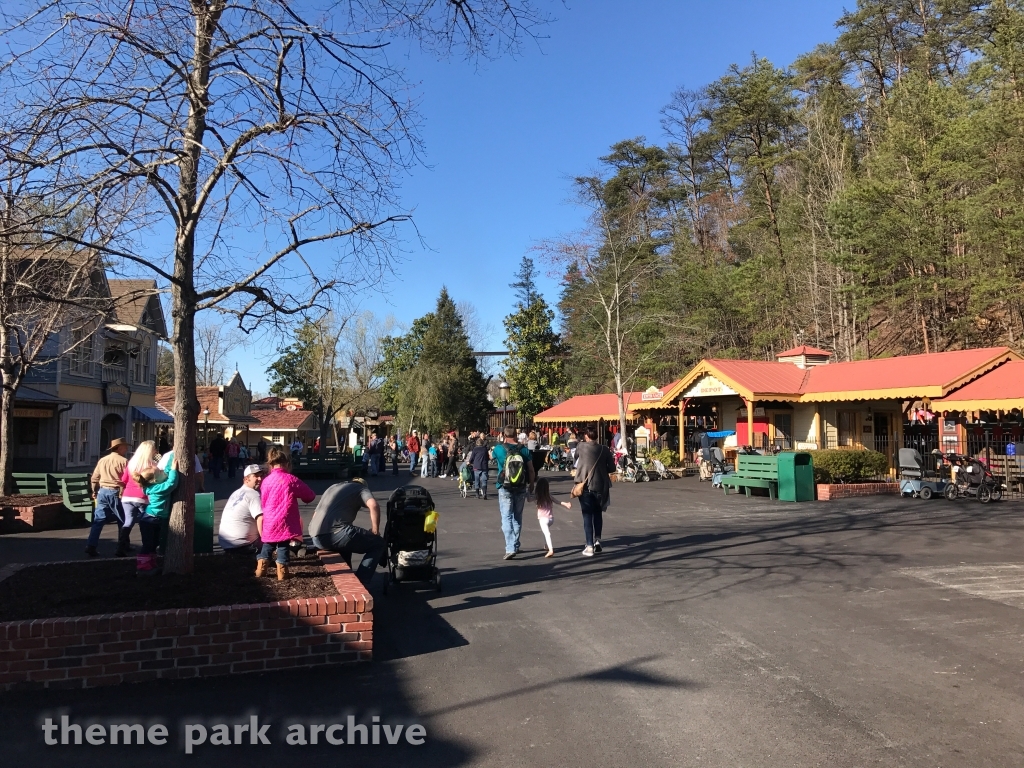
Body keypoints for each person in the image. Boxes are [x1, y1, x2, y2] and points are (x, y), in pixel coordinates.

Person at [308, 478, 385, 587]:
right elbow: (374, 505)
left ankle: (347, 581)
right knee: (378, 544)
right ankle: (361, 582)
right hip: (335, 533)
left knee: (348, 542)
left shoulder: (333, 487)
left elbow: (314, 515)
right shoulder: (361, 488)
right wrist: (375, 530)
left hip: (316, 537)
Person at [257, 446, 316, 580]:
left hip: (270, 518)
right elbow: (310, 495)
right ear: (287, 464)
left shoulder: (265, 481)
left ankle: (261, 569)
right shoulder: (290, 479)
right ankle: (282, 572)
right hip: (285, 518)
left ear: (270, 465)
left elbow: (264, 501)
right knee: (283, 544)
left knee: (268, 543)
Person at [492, 425, 536, 560]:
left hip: (504, 486)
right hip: (521, 486)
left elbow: (492, 457)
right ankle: (515, 544)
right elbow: (531, 470)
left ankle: (510, 547)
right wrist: (532, 485)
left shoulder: (499, 449)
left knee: (506, 517)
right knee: (517, 516)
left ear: (504, 435)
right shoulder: (524, 450)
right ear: (516, 435)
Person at [133, 456, 180, 574]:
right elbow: (171, 484)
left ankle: (151, 564)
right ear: (155, 480)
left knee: (154, 543)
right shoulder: (157, 489)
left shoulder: (157, 483)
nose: (162, 471)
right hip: (150, 520)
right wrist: (174, 470)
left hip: (154, 519)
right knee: (148, 544)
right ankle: (142, 568)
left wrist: (171, 459)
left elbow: (166, 474)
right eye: (159, 472)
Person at [574, 426, 616, 557]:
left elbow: (575, 460)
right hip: (600, 486)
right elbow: (612, 467)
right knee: (598, 514)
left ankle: (589, 545)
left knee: (587, 515)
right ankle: (597, 540)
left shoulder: (581, 446)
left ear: (586, 436)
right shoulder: (604, 449)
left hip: (585, 485)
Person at [86, 438, 130, 557]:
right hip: (116, 492)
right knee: (122, 520)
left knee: (98, 520)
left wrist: (94, 490)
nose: (126, 449)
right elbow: (128, 478)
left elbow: (95, 477)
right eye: (125, 447)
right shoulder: (124, 461)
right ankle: (122, 547)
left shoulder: (103, 460)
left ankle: (91, 545)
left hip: (103, 491)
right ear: (119, 447)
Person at [119, 440, 158, 557]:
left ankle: (121, 546)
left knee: (128, 522)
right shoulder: (151, 465)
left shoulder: (131, 463)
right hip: (142, 497)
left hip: (127, 496)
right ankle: (146, 546)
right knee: (145, 522)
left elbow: (124, 480)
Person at [218, 464, 264, 554]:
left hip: (226, 544)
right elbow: (261, 519)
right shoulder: (253, 495)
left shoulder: (236, 493)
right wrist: (266, 541)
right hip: (243, 545)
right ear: (246, 479)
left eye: (261, 476)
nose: (260, 479)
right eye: (256, 476)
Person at [535, 477, 571, 558]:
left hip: (543, 519)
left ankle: (551, 550)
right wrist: (566, 504)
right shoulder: (548, 496)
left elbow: (529, 499)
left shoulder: (537, 496)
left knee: (547, 533)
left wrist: (528, 493)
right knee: (545, 531)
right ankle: (547, 545)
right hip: (551, 519)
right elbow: (557, 501)